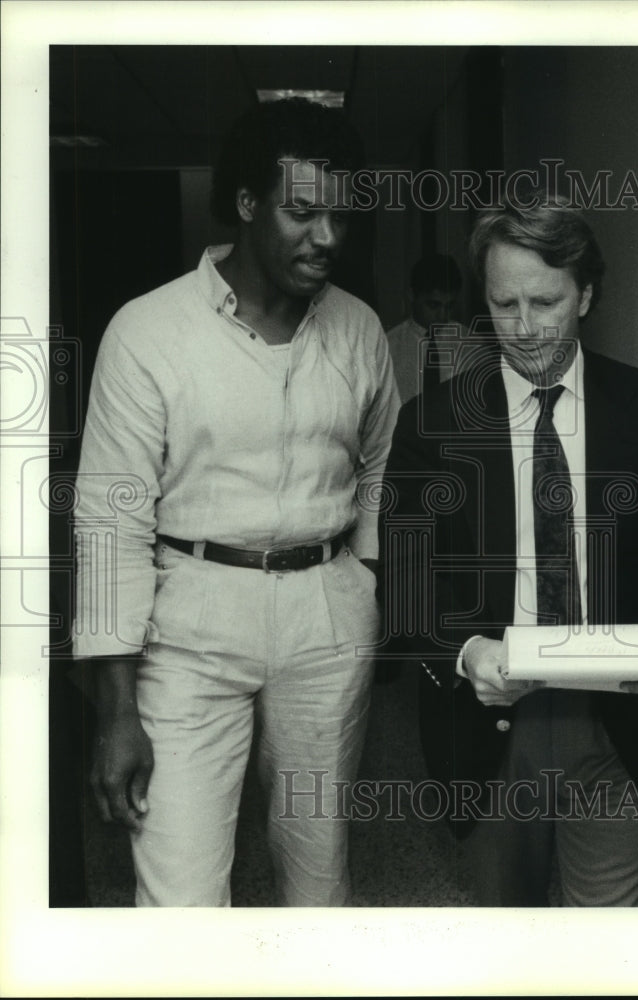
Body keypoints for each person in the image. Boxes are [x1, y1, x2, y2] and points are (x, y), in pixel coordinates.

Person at [72, 97, 400, 907]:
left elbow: (386, 467)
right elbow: (111, 520)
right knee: (181, 896)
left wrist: (366, 580)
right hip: (189, 626)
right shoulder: (148, 332)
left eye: (340, 216)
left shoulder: (358, 330)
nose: (327, 238)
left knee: (317, 876)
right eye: (301, 212)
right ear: (248, 204)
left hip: (326, 617)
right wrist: (115, 709)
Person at [378, 194, 638, 906]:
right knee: (511, 934)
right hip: (490, 726)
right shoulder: (432, 423)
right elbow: (408, 580)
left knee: (608, 940)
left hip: (616, 724)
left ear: (587, 294)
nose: (527, 329)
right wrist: (468, 654)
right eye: (506, 305)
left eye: (547, 302)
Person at [385, 253, 467, 403]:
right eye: (433, 305)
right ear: (411, 295)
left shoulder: (470, 344)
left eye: (449, 306)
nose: (442, 316)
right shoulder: (388, 347)